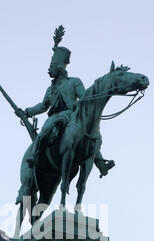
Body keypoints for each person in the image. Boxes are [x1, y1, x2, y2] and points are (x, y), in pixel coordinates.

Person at [16, 38, 114, 177]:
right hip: (56, 117)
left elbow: (84, 97)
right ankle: (34, 155)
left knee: (88, 134)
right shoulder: (50, 89)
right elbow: (43, 106)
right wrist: (26, 112)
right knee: (45, 130)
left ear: (60, 67)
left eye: (52, 65)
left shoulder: (74, 82)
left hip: (72, 114)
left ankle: (100, 163)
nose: (49, 69)